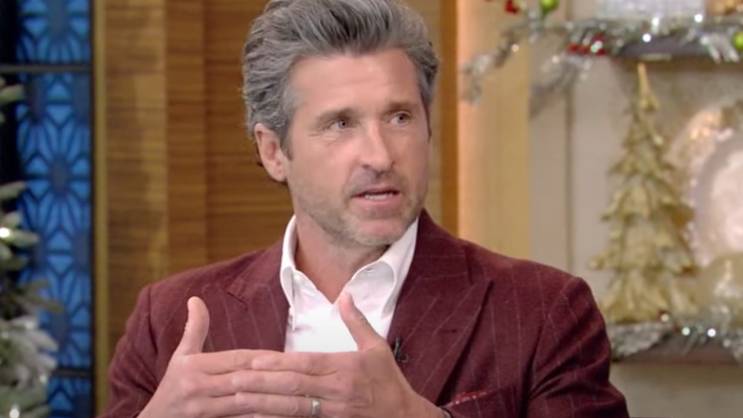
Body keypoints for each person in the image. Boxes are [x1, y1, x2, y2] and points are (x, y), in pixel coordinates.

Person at [100, 1, 629, 417]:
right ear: (274, 151)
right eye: (341, 124)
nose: (379, 156)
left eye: (399, 117)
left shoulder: (542, 312)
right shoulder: (169, 320)